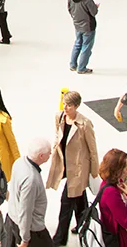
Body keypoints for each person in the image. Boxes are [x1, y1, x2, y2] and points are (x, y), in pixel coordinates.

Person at [47, 90, 100, 245]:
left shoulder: (85, 124)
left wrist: (94, 172)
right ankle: (84, 225)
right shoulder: (60, 117)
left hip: (78, 170)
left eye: (69, 105)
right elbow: (58, 135)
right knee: (79, 199)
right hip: (64, 165)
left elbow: (93, 149)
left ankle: (60, 238)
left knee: (67, 202)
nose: (66, 107)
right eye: (64, 103)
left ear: (76, 106)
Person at [11, 137, 53, 247]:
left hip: (13, 219)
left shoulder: (19, 162)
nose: (51, 154)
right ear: (41, 156)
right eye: (49, 153)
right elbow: (25, 211)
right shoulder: (31, 179)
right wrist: (25, 239)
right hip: (32, 229)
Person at [96, 150, 127, 247]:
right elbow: (126, 222)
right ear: (117, 170)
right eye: (125, 166)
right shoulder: (111, 192)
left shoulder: (107, 184)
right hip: (117, 239)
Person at [68, 0, 99, 74]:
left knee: (77, 43)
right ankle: (82, 67)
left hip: (77, 23)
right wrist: (96, 7)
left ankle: (73, 65)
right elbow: (93, 12)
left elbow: (69, 8)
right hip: (88, 25)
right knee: (86, 47)